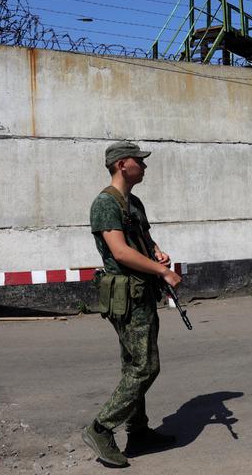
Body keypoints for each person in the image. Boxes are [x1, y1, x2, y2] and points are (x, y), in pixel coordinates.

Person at [82, 141, 182, 467]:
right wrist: (163, 271)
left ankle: (138, 431)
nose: (145, 166)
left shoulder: (132, 202)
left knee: (132, 365)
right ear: (124, 164)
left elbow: (142, 241)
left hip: (140, 292)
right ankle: (101, 427)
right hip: (126, 296)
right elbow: (121, 252)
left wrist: (157, 252)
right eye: (140, 161)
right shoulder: (105, 204)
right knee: (145, 367)